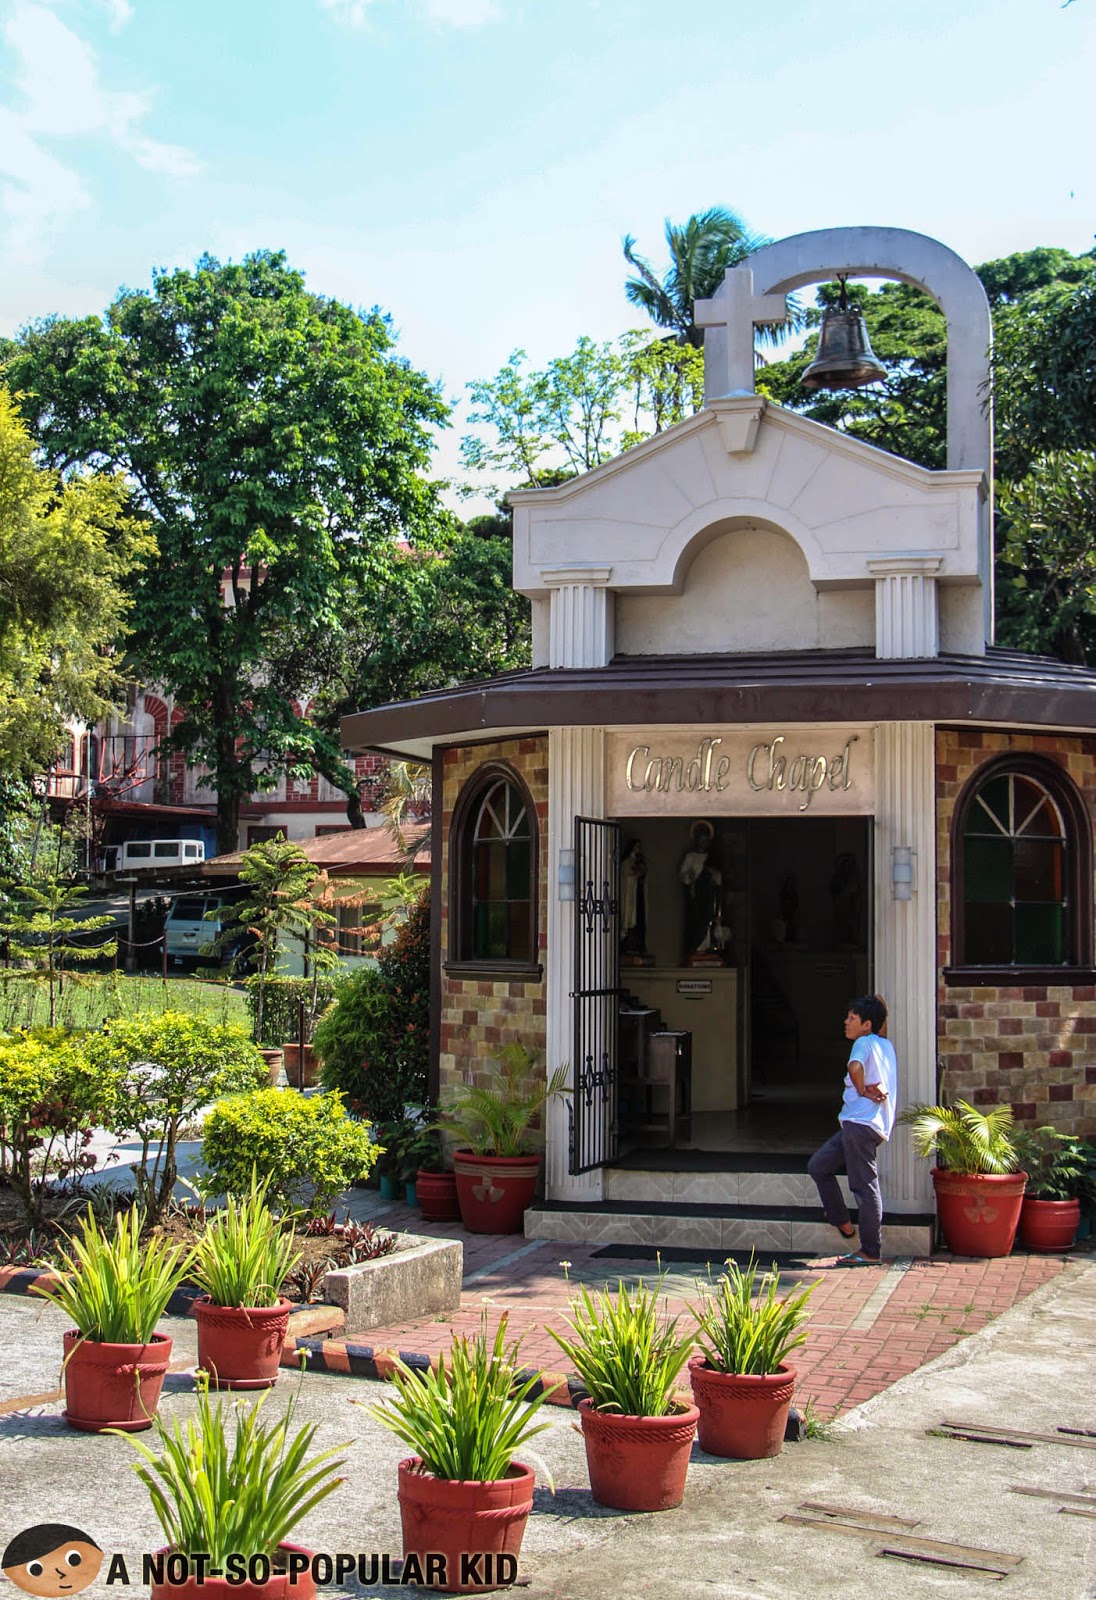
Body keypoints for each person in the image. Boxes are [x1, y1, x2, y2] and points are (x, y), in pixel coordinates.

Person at [807, 993, 897, 1266]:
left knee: (864, 1186)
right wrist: (882, 1009)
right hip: (858, 1126)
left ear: (866, 1025)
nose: (846, 1022)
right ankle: (842, 1221)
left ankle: (870, 1250)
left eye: (852, 1018)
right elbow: (880, 1027)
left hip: (860, 1126)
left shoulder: (862, 1044)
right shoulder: (883, 1044)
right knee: (819, 1166)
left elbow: (855, 1066)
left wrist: (861, 1089)